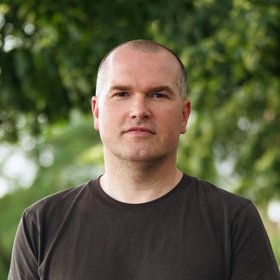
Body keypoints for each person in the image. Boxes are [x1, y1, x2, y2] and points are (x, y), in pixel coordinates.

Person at [8, 39, 279, 280]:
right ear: (97, 111)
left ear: (184, 115)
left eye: (157, 95)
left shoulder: (232, 220)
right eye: (122, 94)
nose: (139, 110)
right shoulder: (41, 224)